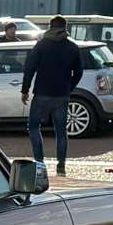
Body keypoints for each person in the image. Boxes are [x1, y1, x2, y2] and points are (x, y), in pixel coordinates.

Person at [21, 16, 84, 176]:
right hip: (62, 94)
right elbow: (78, 72)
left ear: (50, 27)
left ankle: (40, 164)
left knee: (34, 127)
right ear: (65, 27)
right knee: (61, 131)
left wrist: (25, 90)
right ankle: (61, 166)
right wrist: (69, 87)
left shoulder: (41, 45)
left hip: (42, 92)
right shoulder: (72, 47)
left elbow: (29, 68)